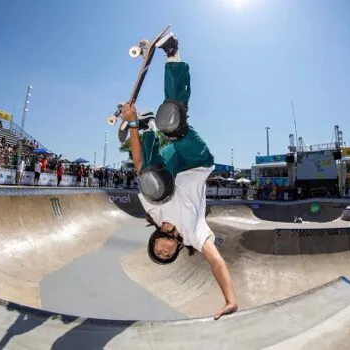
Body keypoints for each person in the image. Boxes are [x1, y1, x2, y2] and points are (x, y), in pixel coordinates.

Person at [120, 32, 238, 320]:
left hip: (172, 165)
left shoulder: (154, 213)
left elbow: (138, 164)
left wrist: (132, 125)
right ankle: (173, 53)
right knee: (172, 122)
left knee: (151, 183)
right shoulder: (196, 237)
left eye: (157, 250)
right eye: (165, 253)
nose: (162, 249)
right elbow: (217, 263)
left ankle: (145, 127)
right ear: (175, 250)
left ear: (153, 241)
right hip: (196, 162)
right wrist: (230, 299)